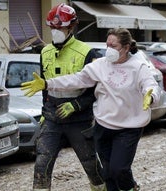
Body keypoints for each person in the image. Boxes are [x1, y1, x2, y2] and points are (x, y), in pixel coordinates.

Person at [21, 28, 162, 191]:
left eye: (114, 46)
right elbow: (76, 79)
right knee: (107, 173)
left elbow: (151, 86)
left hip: (129, 128)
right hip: (104, 126)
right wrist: (48, 83)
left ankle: (131, 187)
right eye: (107, 44)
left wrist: (150, 97)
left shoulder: (138, 67)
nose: (109, 49)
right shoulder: (100, 65)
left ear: (126, 47)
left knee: (119, 169)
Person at [28, 3, 105, 191]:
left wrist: (76, 105)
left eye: (60, 27)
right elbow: (44, 86)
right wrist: (44, 112)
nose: (55, 31)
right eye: (52, 28)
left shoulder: (87, 53)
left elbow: (96, 90)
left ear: (71, 27)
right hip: (52, 118)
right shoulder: (45, 52)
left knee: (91, 165)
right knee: (42, 164)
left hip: (79, 119)